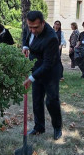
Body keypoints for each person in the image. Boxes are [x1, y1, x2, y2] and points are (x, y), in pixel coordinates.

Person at [22, 11, 63, 140]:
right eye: (30, 26)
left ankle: (57, 127)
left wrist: (31, 78)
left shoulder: (51, 38)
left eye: (35, 27)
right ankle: (39, 127)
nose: (32, 30)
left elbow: (48, 64)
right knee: (37, 100)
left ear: (43, 23)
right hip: (36, 69)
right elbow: (25, 32)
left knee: (51, 101)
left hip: (50, 71)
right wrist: (25, 45)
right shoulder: (30, 27)